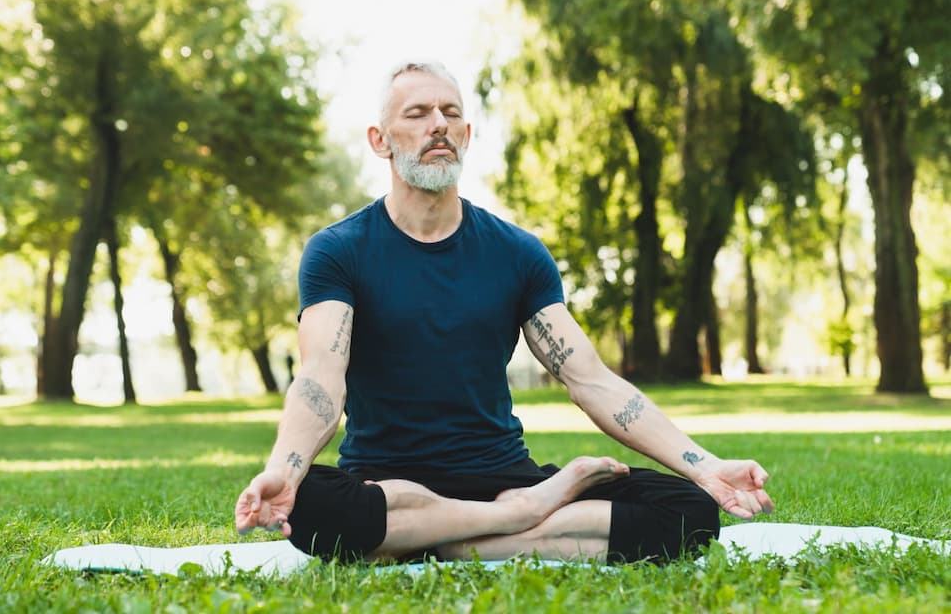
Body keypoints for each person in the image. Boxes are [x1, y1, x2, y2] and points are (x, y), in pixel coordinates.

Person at [235, 61, 774, 564]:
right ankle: (519, 520)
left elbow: (590, 379)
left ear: (467, 136)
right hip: (387, 485)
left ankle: (435, 537)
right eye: (418, 114)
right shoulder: (338, 251)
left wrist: (706, 468)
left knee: (690, 512)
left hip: (502, 475)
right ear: (380, 140)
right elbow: (320, 381)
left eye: (451, 113)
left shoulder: (516, 252)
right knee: (309, 506)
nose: (438, 125)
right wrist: (285, 469)